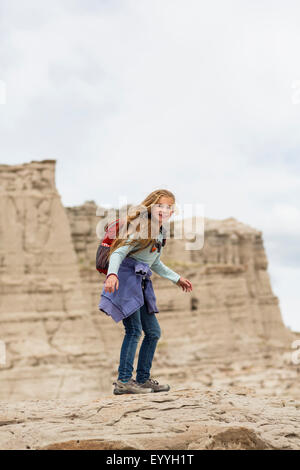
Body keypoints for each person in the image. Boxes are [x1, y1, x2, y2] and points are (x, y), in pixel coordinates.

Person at [101, 189, 193, 395]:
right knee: (134, 331)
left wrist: (177, 278)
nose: (165, 210)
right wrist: (112, 275)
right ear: (151, 207)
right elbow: (118, 252)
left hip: (141, 283)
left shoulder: (159, 231)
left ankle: (142, 380)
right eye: (160, 205)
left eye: (169, 207)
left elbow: (154, 262)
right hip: (125, 281)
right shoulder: (143, 228)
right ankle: (124, 381)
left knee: (153, 332)